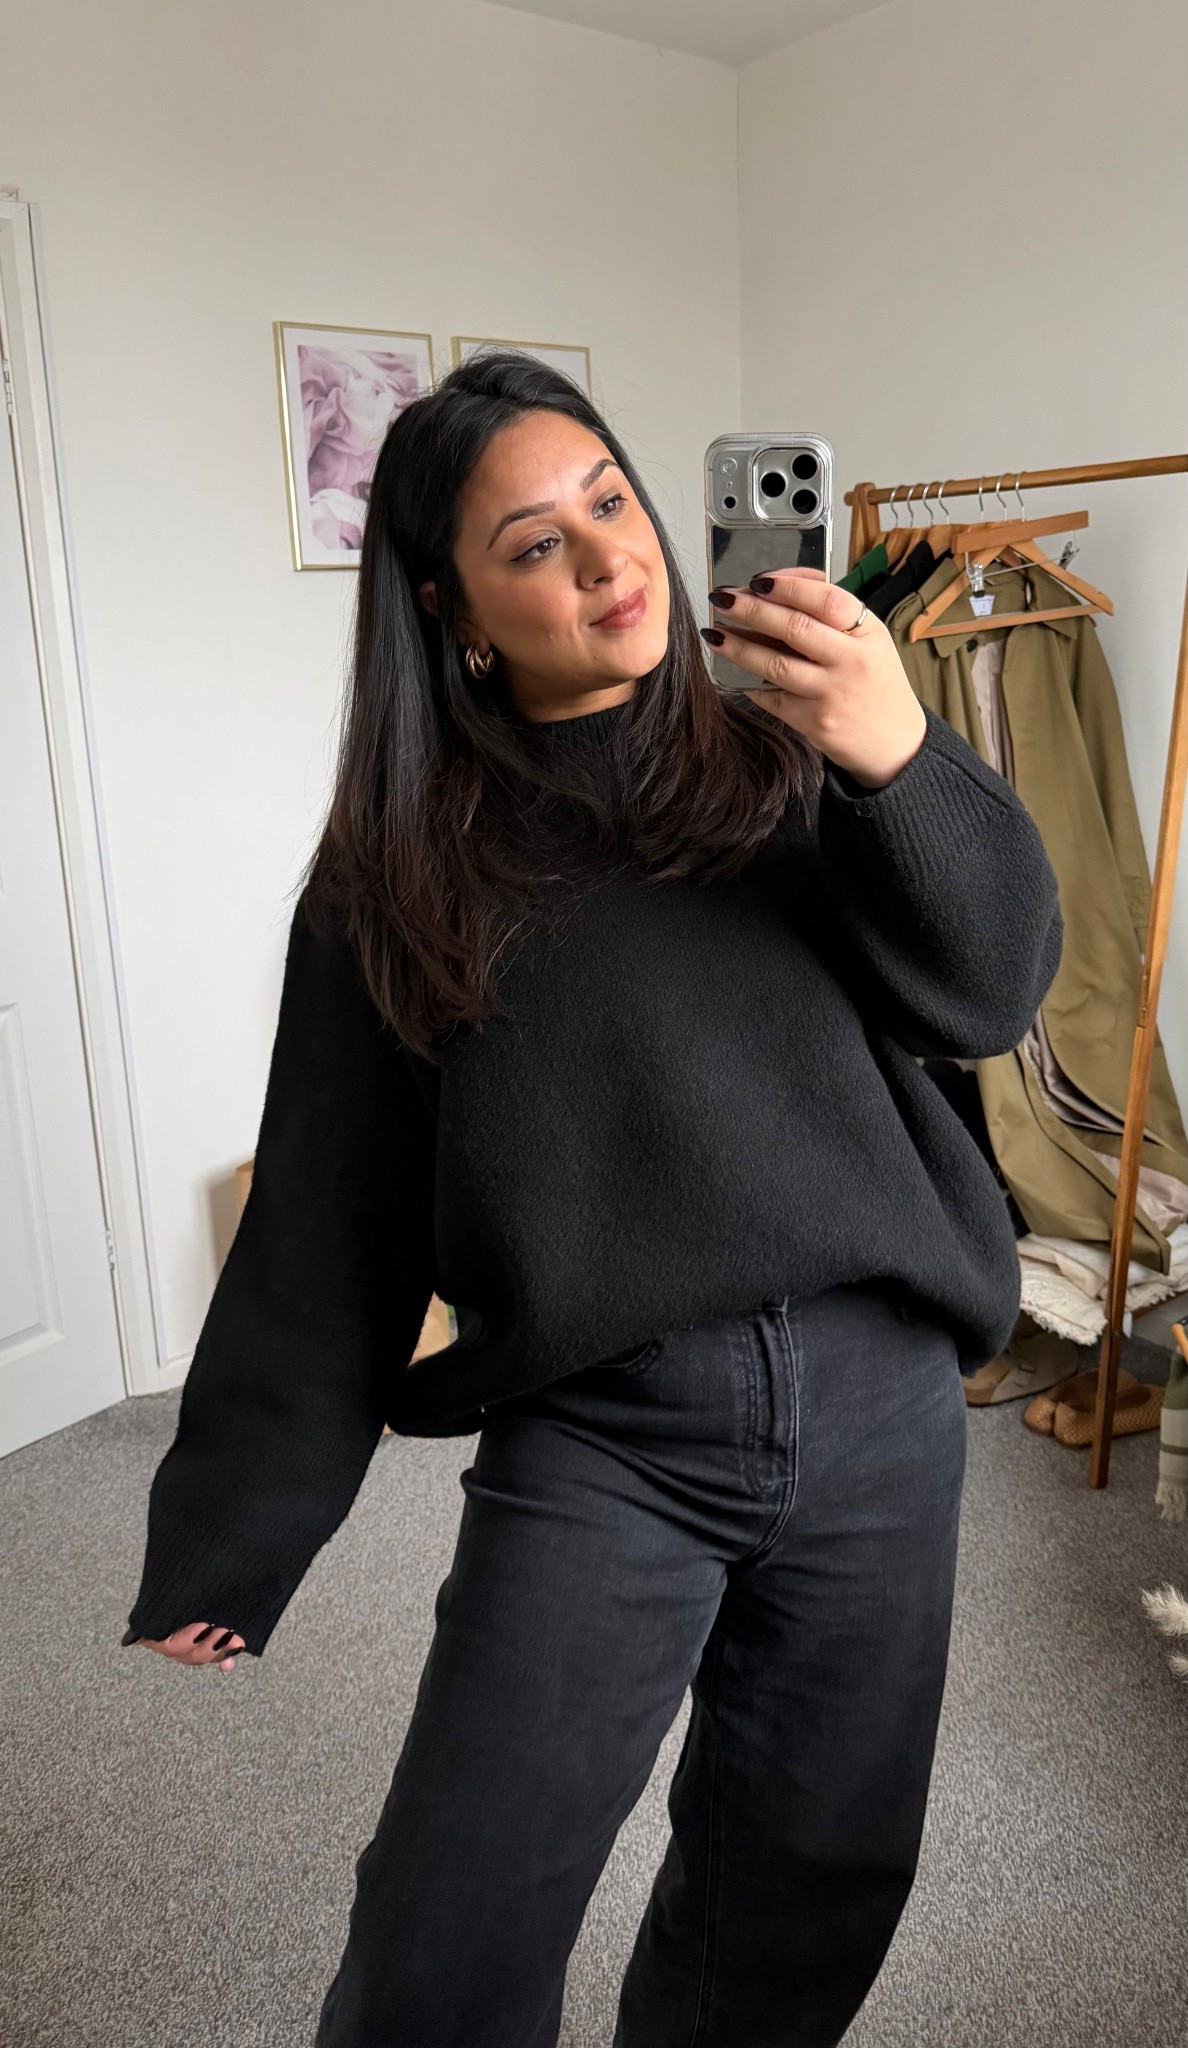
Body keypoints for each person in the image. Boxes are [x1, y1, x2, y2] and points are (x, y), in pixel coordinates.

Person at [121, 350, 1062, 2047]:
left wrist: (901, 756)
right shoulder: (396, 870)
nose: (610, 559)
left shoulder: (804, 750)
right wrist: (237, 1528)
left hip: (882, 1413)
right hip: (608, 1431)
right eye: (534, 544)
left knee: (807, 1888)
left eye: (610, 501)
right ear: (454, 612)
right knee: (450, 1928)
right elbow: (331, 1214)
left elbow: (992, 993)